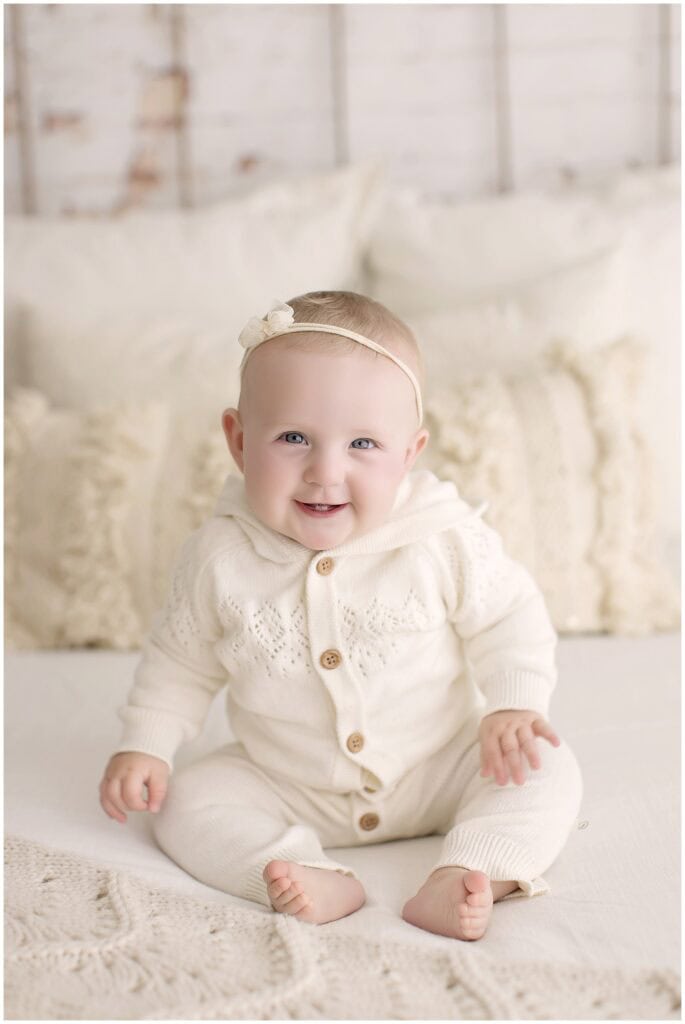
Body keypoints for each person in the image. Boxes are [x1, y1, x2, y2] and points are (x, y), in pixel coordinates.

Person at [99, 290, 582, 941]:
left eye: (362, 443)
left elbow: (509, 615)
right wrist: (146, 744)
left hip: (439, 765)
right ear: (238, 442)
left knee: (547, 767)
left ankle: (472, 868)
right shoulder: (220, 556)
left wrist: (512, 704)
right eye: (293, 437)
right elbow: (177, 661)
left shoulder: (439, 536)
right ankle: (299, 868)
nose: (325, 472)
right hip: (291, 782)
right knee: (186, 800)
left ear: (409, 454)